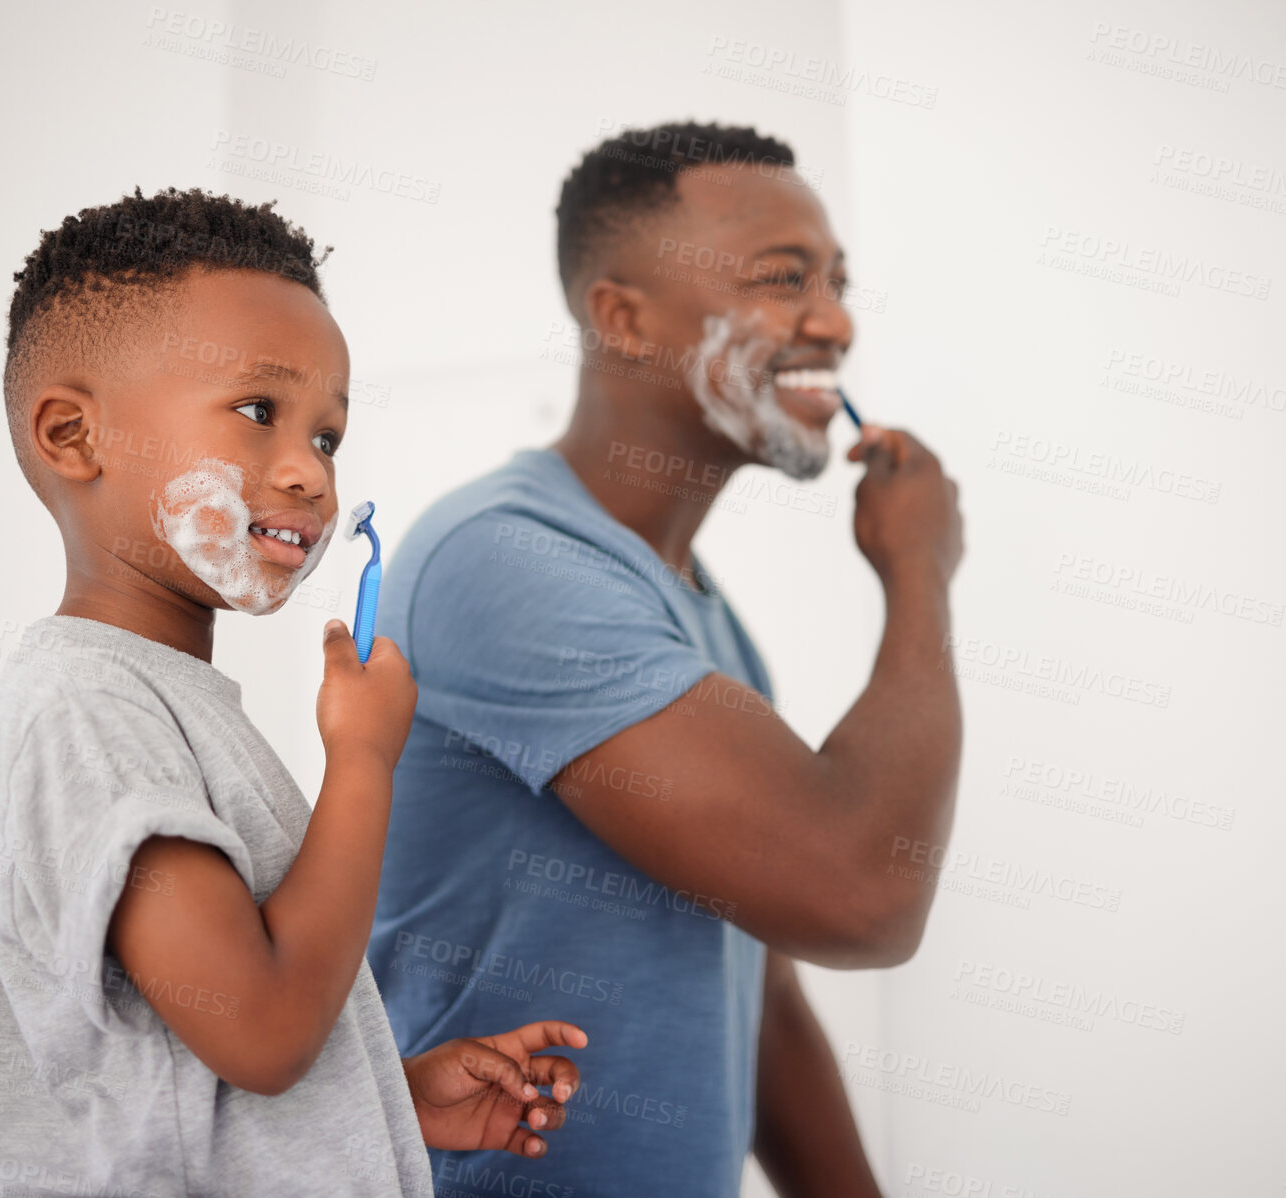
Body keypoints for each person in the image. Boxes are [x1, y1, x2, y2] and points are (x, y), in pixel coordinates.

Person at [0, 187, 585, 1197]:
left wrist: (378, 1092)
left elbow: (189, 1060)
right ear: (73, 436)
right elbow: (266, 1028)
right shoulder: (84, 709)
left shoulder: (158, 701)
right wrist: (364, 760)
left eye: (325, 437)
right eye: (257, 412)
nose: (311, 475)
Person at [368, 123, 965, 1197]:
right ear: (622, 317)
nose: (834, 320)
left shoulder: (701, 619)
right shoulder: (501, 558)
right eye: (784, 280)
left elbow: (764, 993)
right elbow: (861, 894)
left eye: (835, 280)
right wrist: (918, 575)